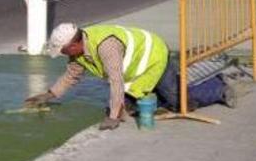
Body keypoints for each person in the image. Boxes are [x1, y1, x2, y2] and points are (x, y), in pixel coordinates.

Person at [24, 22, 235, 130]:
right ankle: (153, 93)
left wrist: (113, 117)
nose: (61, 54)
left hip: (153, 58)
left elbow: (116, 80)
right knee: (130, 108)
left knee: (180, 103)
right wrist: (49, 95)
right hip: (135, 72)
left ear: (74, 44)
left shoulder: (106, 46)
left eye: (62, 50)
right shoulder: (78, 54)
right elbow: (70, 76)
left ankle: (218, 88)